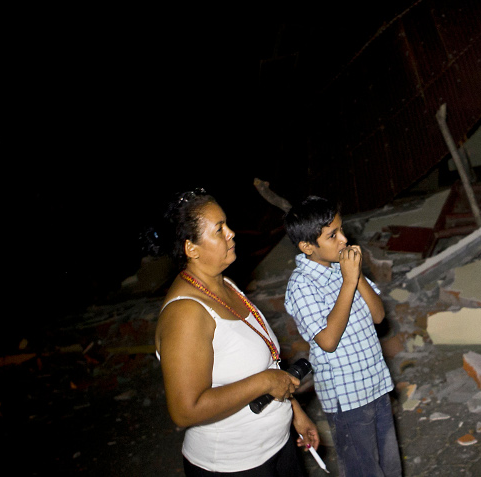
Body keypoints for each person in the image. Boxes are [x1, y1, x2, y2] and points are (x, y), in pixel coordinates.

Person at [146, 188, 319, 476]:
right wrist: (264, 382)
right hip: (234, 465)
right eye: (219, 229)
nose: (231, 233)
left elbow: (267, 363)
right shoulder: (185, 314)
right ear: (191, 248)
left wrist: (294, 413)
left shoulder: (224, 284)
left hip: (278, 447)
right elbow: (185, 410)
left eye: (227, 224)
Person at [283, 195, 402, 477]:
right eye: (332, 235)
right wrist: (349, 281)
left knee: (390, 466)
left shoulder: (342, 267)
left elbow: (378, 316)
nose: (344, 239)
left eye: (341, 230)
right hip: (347, 399)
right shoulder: (302, 285)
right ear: (307, 247)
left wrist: (355, 276)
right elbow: (327, 340)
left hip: (375, 383)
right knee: (364, 470)